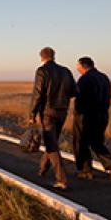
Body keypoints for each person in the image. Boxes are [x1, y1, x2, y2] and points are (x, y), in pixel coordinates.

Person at [29, 47, 76, 190]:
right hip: (62, 111)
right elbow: (74, 91)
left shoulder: (42, 71)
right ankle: (42, 169)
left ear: (41, 57)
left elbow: (38, 93)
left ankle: (61, 180)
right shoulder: (66, 71)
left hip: (48, 112)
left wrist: (32, 113)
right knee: (52, 140)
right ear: (54, 56)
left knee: (51, 144)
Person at [73, 57, 111, 180]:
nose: (77, 68)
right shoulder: (104, 77)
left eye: (78, 65)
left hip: (86, 116)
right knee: (96, 142)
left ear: (84, 66)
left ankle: (86, 170)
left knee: (81, 142)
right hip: (103, 115)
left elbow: (79, 97)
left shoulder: (85, 79)